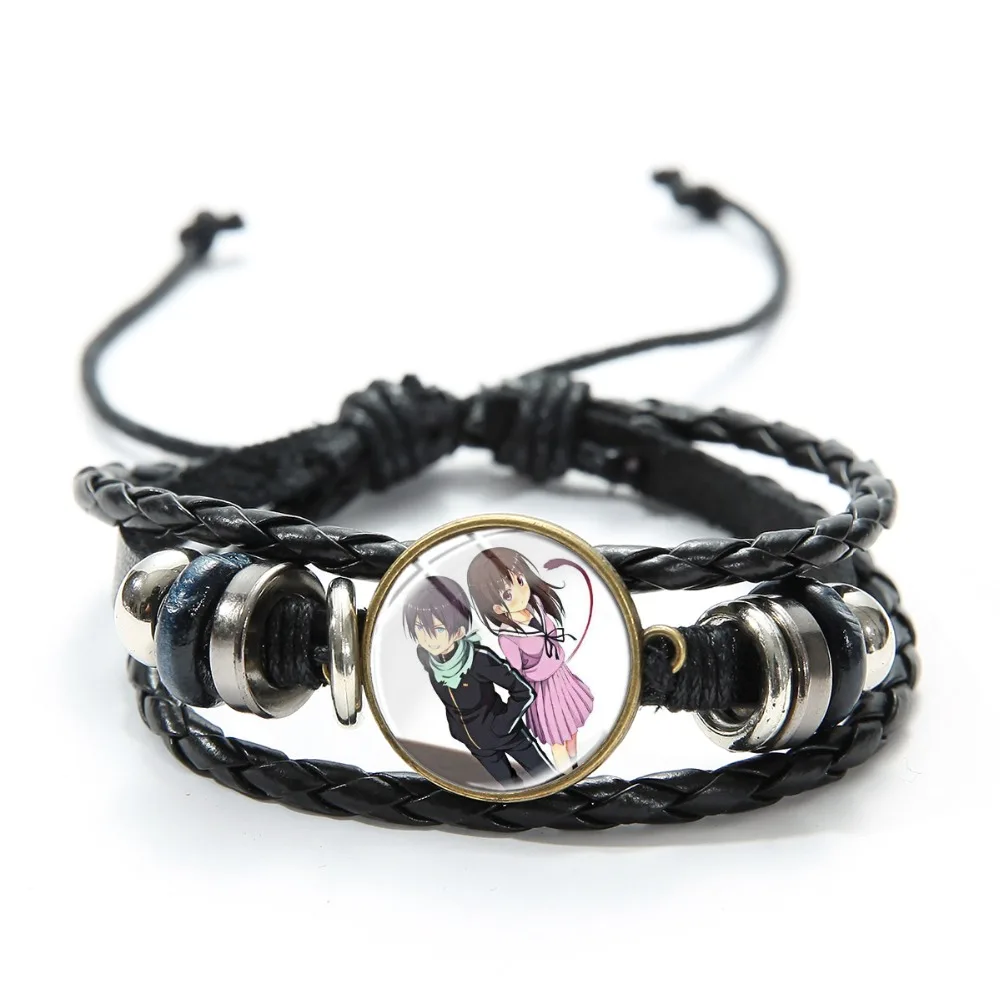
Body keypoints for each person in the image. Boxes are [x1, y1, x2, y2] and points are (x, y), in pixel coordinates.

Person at [403, 574, 554, 787]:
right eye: (420, 627)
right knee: (510, 788)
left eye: (438, 629)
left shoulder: (479, 659)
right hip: (478, 746)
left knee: (550, 780)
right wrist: (458, 731)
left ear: (459, 631)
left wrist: (503, 724)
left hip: (509, 736)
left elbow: (524, 691)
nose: (428, 638)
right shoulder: (426, 657)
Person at [466, 548, 594, 770]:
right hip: (543, 691)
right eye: (508, 594)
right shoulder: (508, 636)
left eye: (519, 580)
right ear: (496, 607)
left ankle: (577, 767)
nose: (520, 592)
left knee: (572, 728)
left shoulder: (536, 604)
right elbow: (515, 674)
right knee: (557, 737)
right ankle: (567, 779)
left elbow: (551, 634)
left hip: (561, 678)